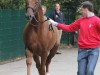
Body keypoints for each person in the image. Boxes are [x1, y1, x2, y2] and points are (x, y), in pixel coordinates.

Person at [48, 1, 100, 75]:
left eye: (82, 9)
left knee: (90, 71)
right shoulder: (80, 20)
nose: (81, 11)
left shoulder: (97, 20)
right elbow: (69, 27)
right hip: (82, 50)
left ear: (86, 9)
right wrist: (55, 23)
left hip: (93, 51)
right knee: (81, 73)